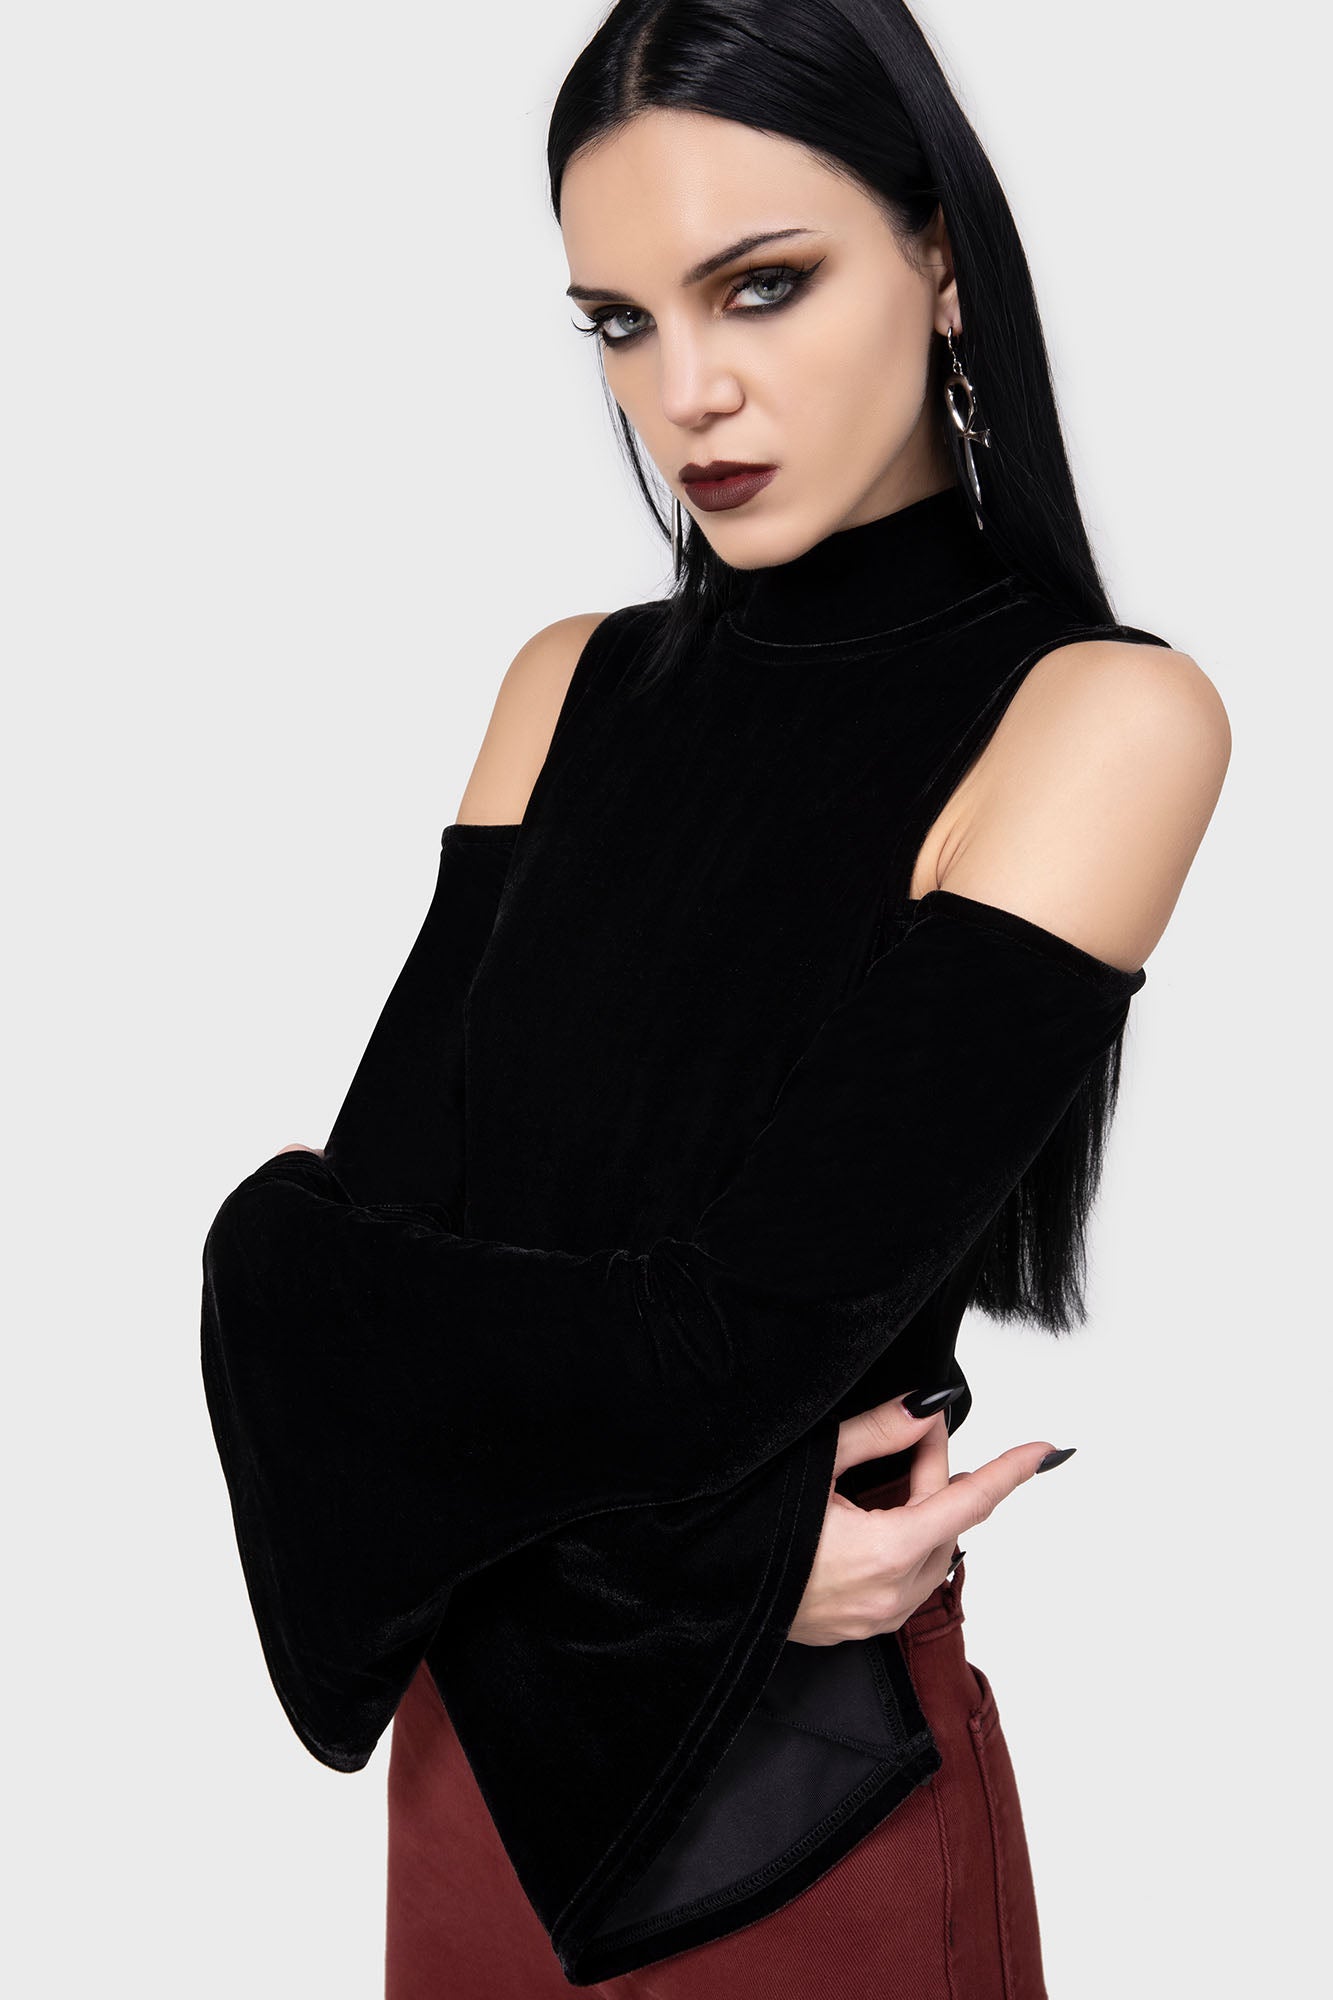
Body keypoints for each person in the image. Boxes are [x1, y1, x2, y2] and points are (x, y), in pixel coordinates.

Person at [201, 3, 1230, 1993]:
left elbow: (724, 1339)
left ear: (940, 255)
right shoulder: (565, 686)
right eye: (618, 320)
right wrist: (737, 1557)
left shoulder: (1096, 717)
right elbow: (306, 1311)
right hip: (484, 1766)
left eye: (762, 285)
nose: (687, 393)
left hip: (786, 1806)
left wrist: (596, 1478)